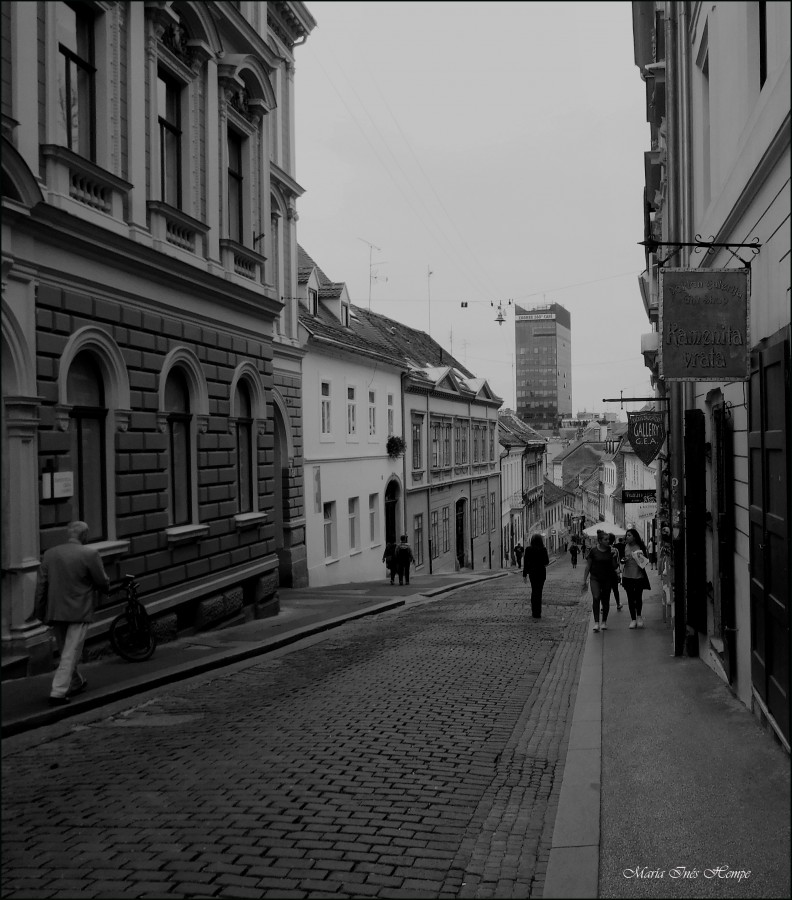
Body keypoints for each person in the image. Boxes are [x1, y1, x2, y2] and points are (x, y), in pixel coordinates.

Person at [32, 521, 110, 705]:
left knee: (65, 649)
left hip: (56, 610)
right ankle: (58, 691)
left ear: (69, 535)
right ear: (85, 536)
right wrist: (106, 588)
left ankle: (75, 681)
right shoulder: (89, 554)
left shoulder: (51, 554)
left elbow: (41, 585)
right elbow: (101, 580)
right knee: (71, 651)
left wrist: (40, 611)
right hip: (79, 609)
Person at [581, 530, 619, 632]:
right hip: (595, 578)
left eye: (608, 539)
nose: (608, 541)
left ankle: (604, 622)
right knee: (596, 597)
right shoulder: (593, 551)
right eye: (605, 539)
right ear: (600, 541)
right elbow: (588, 566)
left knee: (605, 600)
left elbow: (615, 566)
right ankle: (596, 622)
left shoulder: (611, 551)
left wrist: (615, 557)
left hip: (607, 578)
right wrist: (584, 580)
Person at [622, 528, 650, 628]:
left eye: (629, 535)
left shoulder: (640, 546)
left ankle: (639, 616)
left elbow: (646, 561)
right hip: (627, 575)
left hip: (638, 575)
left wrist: (639, 558)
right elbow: (620, 559)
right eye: (626, 535)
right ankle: (633, 619)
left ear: (634, 536)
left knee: (638, 596)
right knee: (630, 597)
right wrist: (623, 560)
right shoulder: (624, 546)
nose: (627, 537)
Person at [522, 533, 550, 618]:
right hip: (541, 573)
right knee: (539, 592)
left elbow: (526, 563)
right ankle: (538, 612)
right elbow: (546, 562)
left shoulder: (528, 549)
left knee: (534, 591)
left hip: (532, 573)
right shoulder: (543, 549)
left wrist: (524, 574)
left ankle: (534, 611)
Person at [608, 533, 624, 611]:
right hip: (613, 572)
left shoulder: (603, 549)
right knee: (615, 589)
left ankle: (603, 607)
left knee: (605, 590)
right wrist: (619, 573)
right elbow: (618, 562)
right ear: (613, 540)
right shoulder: (615, 550)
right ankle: (618, 604)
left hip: (605, 572)